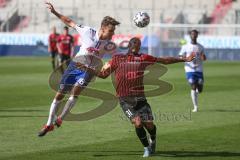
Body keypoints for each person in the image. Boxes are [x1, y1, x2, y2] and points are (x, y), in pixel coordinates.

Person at [87, 37, 195, 157]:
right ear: (129, 45)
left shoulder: (143, 58)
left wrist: (185, 59)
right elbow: (103, 75)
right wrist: (88, 69)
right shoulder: (117, 59)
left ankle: (153, 139)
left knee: (149, 125)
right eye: (133, 43)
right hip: (125, 99)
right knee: (138, 123)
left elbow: (164, 60)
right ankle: (146, 148)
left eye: (137, 43)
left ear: (139, 46)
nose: (135, 45)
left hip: (140, 99)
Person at [38, 1, 120, 137]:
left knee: (75, 92)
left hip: (89, 70)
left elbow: (117, 59)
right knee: (60, 94)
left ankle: (60, 118)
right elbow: (69, 22)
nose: (113, 34)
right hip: (75, 65)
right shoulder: (88, 31)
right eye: (111, 31)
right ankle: (48, 124)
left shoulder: (109, 45)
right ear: (103, 28)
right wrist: (55, 12)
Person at [179, 29, 207, 112]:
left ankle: (196, 91)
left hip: (199, 69)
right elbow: (180, 56)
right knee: (193, 86)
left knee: (200, 88)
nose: (194, 35)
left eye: (195, 34)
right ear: (190, 36)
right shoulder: (185, 46)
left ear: (197, 35)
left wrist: (203, 57)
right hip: (189, 69)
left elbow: (203, 57)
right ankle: (195, 107)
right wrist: (186, 59)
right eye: (192, 34)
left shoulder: (200, 47)